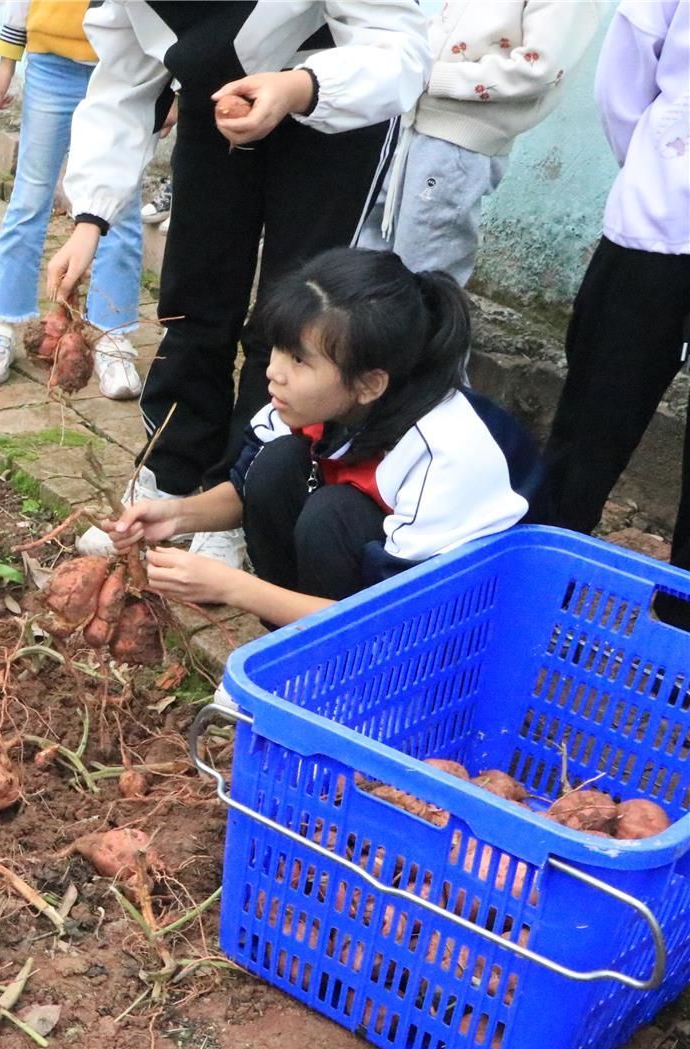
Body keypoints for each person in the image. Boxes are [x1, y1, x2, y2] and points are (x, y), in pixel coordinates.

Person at [49, 0, 429, 569]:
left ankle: (240, 495)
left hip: (331, 103)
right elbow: (124, 82)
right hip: (216, 97)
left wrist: (300, 87)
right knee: (191, 302)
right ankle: (169, 474)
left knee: (292, 321)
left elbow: (397, 46)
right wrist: (90, 217)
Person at [108, 248, 529, 628]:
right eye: (277, 347)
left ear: (369, 384)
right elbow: (244, 490)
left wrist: (232, 588)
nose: (274, 371)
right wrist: (176, 516)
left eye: (298, 360)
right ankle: (293, 654)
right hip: (390, 597)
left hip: (467, 626)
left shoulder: (443, 453)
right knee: (275, 468)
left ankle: (339, 676)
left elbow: (394, 615)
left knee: (332, 514)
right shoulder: (311, 402)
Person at [533, 0, 690, 564]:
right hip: (656, 226)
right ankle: (546, 572)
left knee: (593, 418)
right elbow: (623, 79)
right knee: (594, 419)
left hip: (659, 209)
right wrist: (655, 171)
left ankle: (680, 622)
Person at [0, 0, 146, 399]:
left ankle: (113, 339)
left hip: (125, 67)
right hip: (52, 64)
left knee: (123, 207)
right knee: (30, 197)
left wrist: (170, 87)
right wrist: (6, 60)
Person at [358, 1, 603, 284]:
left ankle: (420, 328)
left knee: (424, 270)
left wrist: (432, 77)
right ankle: (366, 327)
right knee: (368, 254)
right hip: (411, 124)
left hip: (457, 145)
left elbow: (539, 70)